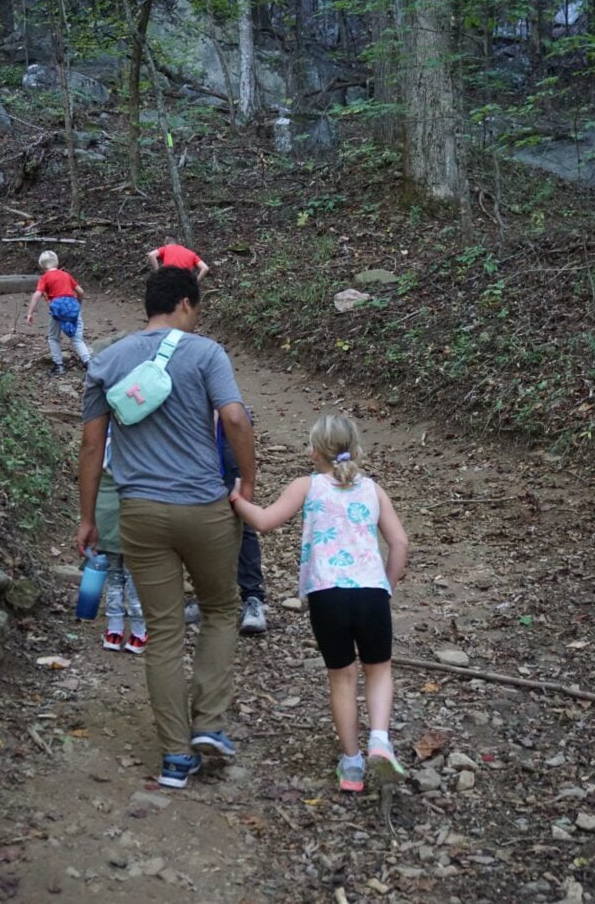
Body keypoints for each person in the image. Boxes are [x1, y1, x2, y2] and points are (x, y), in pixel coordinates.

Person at [78, 266, 255, 790]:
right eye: (196, 309)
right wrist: (247, 481)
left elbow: (91, 446)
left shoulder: (107, 360)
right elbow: (235, 418)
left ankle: (175, 757)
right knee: (221, 608)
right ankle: (210, 725)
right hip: (204, 508)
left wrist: (88, 517)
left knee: (163, 629)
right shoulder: (205, 353)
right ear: (185, 303)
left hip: (139, 512)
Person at [230, 414, 409, 794]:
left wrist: (236, 499)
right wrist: (386, 587)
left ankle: (352, 765)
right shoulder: (373, 489)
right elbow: (400, 543)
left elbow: (264, 521)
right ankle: (379, 739)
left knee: (342, 678)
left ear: (314, 452)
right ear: (356, 449)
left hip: (328, 595)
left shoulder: (306, 486)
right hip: (371, 592)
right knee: (378, 671)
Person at [185, 414, 267, 634]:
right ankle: (207, 596)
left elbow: (230, 408)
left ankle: (252, 598)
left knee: (239, 512)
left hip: (224, 428)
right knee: (197, 516)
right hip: (190, 428)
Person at [96, 425, 148, 654]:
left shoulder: (103, 432)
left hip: (106, 508)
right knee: (133, 572)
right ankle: (138, 630)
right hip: (136, 505)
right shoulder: (147, 433)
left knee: (114, 573)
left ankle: (115, 630)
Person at [26, 250, 91, 376]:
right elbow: (81, 292)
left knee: (53, 338)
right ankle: (89, 363)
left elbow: (37, 294)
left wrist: (30, 313)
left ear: (41, 265)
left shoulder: (45, 278)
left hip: (57, 310)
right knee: (77, 339)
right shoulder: (66, 275)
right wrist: (77, 305)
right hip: (72, 307)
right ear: (57, 262)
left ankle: (59, 366)